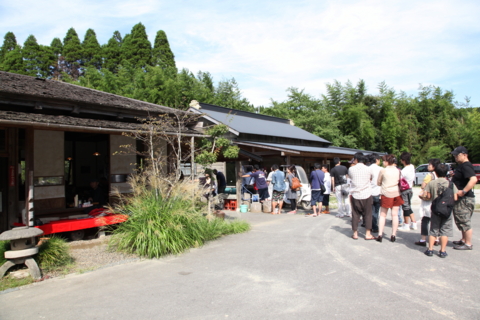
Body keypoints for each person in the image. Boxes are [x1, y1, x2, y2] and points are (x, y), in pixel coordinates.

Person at [424, 164, 458, 258]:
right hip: (447, 210)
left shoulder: (432, 183)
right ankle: (442, 251)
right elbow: (455, 197)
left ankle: (430, 249)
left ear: (436, 172)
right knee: (445, 230)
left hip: (435, 209)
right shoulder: (451, 184)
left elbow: (428, 196)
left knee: (434, 229)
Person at [450, 146, 476, 250]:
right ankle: (463, 239)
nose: (455, 157)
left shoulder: (466, 165)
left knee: (465, 221)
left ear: (464, 155)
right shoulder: (462, 166)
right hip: (461, 199)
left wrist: (463, 191)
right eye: (455, 155)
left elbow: (473, 179)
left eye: (457, 155)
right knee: (460, 219)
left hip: (465, 199)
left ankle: (468, 244)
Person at [376, 154, 404, 243]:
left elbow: (378, 182)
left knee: (383, 215)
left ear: (387, 162)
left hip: (386, 193)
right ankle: (393, 235)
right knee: (395, 215)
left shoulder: (383, 170)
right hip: (396, 193)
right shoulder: (398, 171)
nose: (383, 162)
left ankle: (380, 234)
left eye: (384, 161)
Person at [348, 152, 375, 240]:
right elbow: (372, 178)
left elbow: (351, 178)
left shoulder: (351, 169)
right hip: (367, 193)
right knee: (368, 214)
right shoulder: (368, 169)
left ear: (355, 159)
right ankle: (368, 234)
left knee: (355, 214)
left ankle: (355, 233)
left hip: (355, 194)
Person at [415, 158, 441, 247]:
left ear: (434, 166)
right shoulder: (440, 175)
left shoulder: (430, 175)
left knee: (425, 219)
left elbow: (423, 185)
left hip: (428, 200)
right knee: (436, 221)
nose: (428, 166)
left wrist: (422, 190)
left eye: (430, 164)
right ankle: (436, 238)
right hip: (438, 200)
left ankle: (423, 239)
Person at [398, 152, 417, 231]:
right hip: (410, 189)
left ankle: (406, 225)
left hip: (405, 190)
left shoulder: (404, 170)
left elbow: (399, 179)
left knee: (405, 207)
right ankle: (414, 223)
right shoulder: (412, 166)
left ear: (403, 160)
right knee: (409, 206)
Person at [369, 153, 382, 233]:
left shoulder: (368, 169)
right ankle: (375, 226)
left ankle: (370, 225)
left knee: (370, 211)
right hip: (378, 192)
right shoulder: (381, 169)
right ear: (377, 160)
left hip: (369, 193)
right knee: (376, 211)